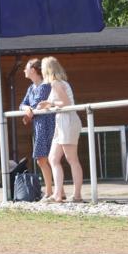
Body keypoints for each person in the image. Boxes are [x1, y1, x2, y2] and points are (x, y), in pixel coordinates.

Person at [37, 57, 83, 202]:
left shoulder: (57, 83)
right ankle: (58, 193)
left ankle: (77, 195)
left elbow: (65, 103)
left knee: (72, 159)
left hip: (67, 120)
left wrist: (50, 104)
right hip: (61, 121)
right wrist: (47, 104)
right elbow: (57, 102)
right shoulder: (57, 84)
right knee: (53, 158)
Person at [19, 58, 55, 199]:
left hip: (47, 125)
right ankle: (54, 191)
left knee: (47, 159)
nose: (24, 70)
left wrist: (29, 111)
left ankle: (50, 191)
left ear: (33, 70)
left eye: (26, 68)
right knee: (43, 159)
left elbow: (37, 104)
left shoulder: (45, 86)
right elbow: (24, 104)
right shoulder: (31, 88)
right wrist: (26, 108)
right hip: (38, 127)